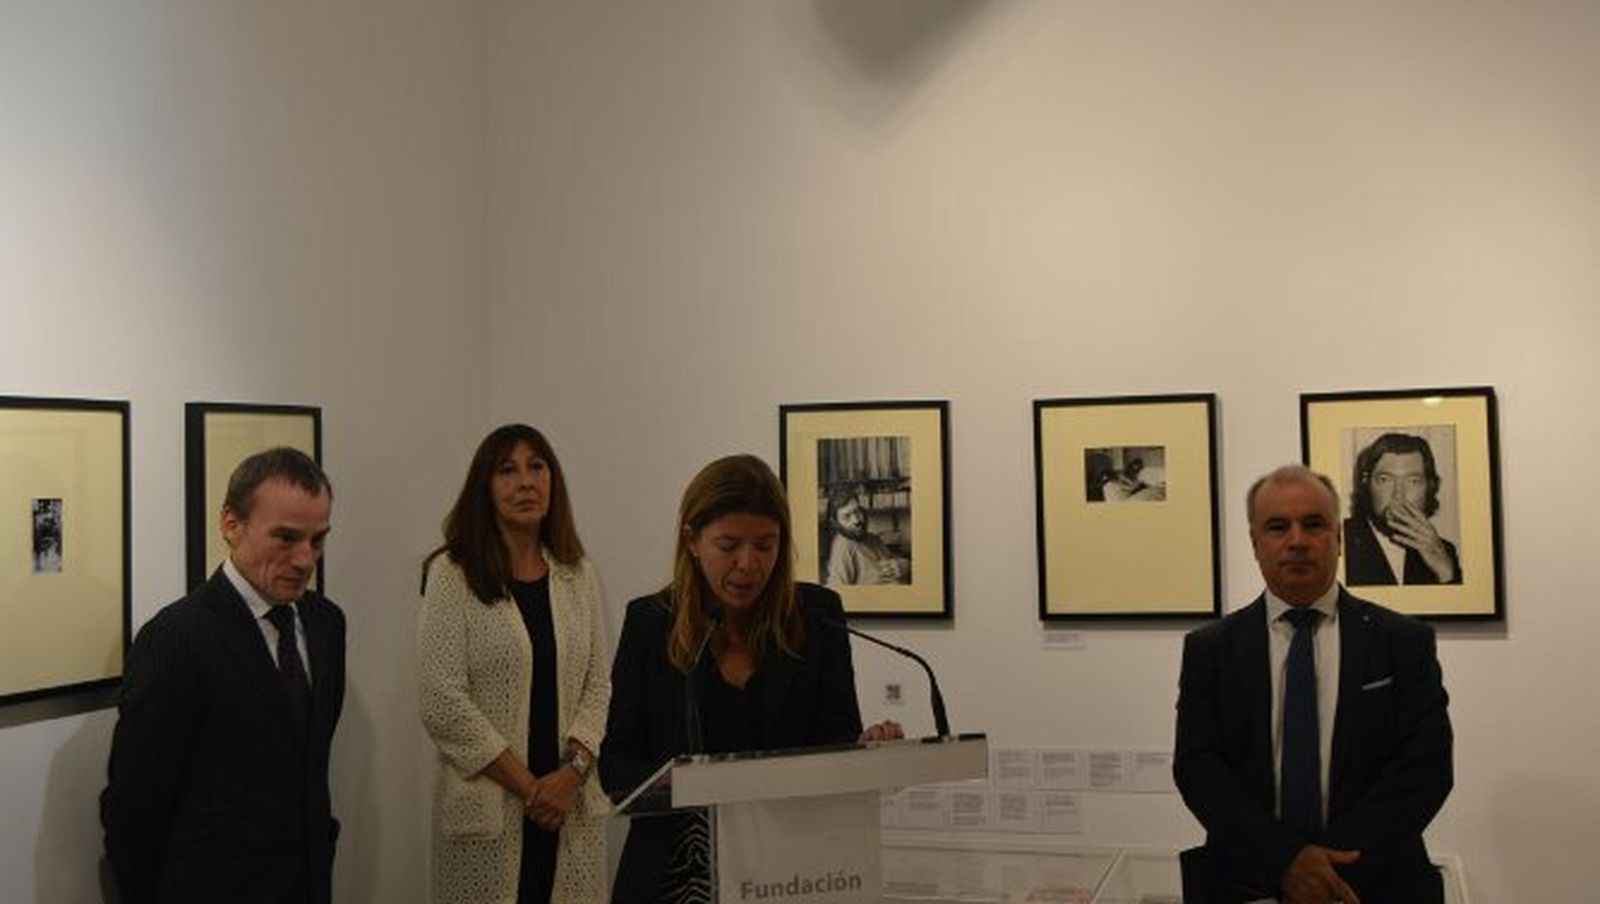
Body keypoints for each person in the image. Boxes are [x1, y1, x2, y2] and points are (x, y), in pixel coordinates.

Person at [601, 454, 902, 903]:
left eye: (766, 544)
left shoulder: (817, 616)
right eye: (728, 545)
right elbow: (617, 768)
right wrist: (694, 784)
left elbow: (834, 738)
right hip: (675, 880)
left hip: (790, 875)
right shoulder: (649, 622)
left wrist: (865, 752)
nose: (748, 563)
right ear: (692, 541)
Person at [1173, 465, 1453, 904]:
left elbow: (1426, 768)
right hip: (1249, 881)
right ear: (1255, 543)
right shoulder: (1211, 649)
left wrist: (1324, 871)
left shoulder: (1403, 642)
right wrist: (1287, 861)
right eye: (1278, 527)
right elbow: (1198, 767)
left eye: (1314, 524)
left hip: (1374, 884)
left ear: (1338, 537)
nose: (1297, 541)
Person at [101, 447, 344, 904]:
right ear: (232, 526)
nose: (306, 559)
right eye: (286, 538)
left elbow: (306, 766)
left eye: (318, 539)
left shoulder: (326, 623)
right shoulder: (177, 638)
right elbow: (134, 807)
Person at [416, 424, 611, 904]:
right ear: (484, 488)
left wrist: (571, 775)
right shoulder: (451, 573)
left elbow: (600, 687)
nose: (526, 482)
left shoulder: (577, 574)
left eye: (536, 466)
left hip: (570, 809)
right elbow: (442, 700)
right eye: (507, 470)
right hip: (492, 812)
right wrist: (532, 790)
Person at [1343, 432, 1461, 586]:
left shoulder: (1444, 551)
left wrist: (1446, 573)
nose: (1398, 496)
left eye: (1413, 481)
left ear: (1429, 488)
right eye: (1385, 480)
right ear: (1367, 485)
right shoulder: (1339, 541)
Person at [823, 486, 909, 586]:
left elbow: (894, 561)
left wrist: (905, 565)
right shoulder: (843, 548)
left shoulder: (872, 539)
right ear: (835, 523)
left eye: (857, 511)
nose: (856, 520)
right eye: (847, 516)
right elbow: (839, 593)